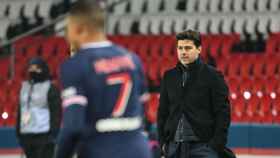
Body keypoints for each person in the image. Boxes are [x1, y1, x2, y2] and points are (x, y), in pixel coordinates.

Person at [55, 1, 152, 158]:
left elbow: (73, 127)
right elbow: (144, 112)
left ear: (79, 29)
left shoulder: (75, 65)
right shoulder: (132, 59)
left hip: (100, 149)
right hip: (138, 150)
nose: (66, 35)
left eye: (68, 29)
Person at [157, 30, 235, 158]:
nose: (183, 52)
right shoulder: (169, 76)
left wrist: (216, 146)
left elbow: (223, 113)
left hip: (203, 147)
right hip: (173, 147)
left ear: (199, 49)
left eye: (188, 48)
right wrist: (163, 144)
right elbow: (162, 112)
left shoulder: (213, 76)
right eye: (180, 48)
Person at [16, 57, 61, 158]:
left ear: (43, 69)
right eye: (31, 68)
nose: (33, 71)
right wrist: (18, 131)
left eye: (37, 68)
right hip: (27, 135)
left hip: (44, 135)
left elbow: (56, 113)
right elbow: (21, 110)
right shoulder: (24, 87)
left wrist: (53, 134)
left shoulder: (50, 88)